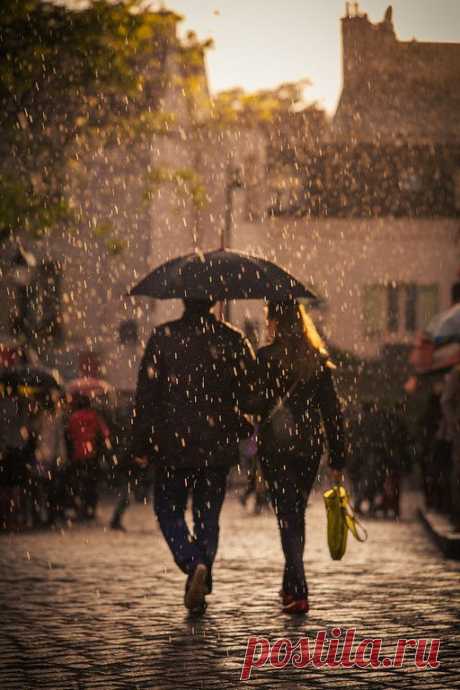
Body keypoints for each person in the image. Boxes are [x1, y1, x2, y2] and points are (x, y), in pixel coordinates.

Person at [131, 299, 256, 614]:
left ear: (183, 300)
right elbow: (249, 390)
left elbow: (146, 394)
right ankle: (201, 567)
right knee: (207, 515)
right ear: (213, 301)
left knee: (167, 509)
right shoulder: (232, 339)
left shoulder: (164, 337)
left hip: (172, 444)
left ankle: (192, 561)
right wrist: (236, 416)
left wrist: (141, 442)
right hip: (216, 445)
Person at [251, 300, 346, 614]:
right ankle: (291, 586)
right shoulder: (316, 361)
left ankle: (299, 587)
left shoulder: (264, 358)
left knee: (287, 515)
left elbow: (253, 403)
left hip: (275, 446)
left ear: (275, 321)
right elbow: (332, 413)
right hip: (308, 446)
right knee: (295, 513)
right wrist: (338, 457)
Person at [65, 394, 111, 521]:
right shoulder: (94, 416)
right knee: (92, 482)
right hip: (92, 454)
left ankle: (80, 507)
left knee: (79, 482)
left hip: (77, 454)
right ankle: (90, 508)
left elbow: (69, 434)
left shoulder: (73, 418)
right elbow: (105, 432)